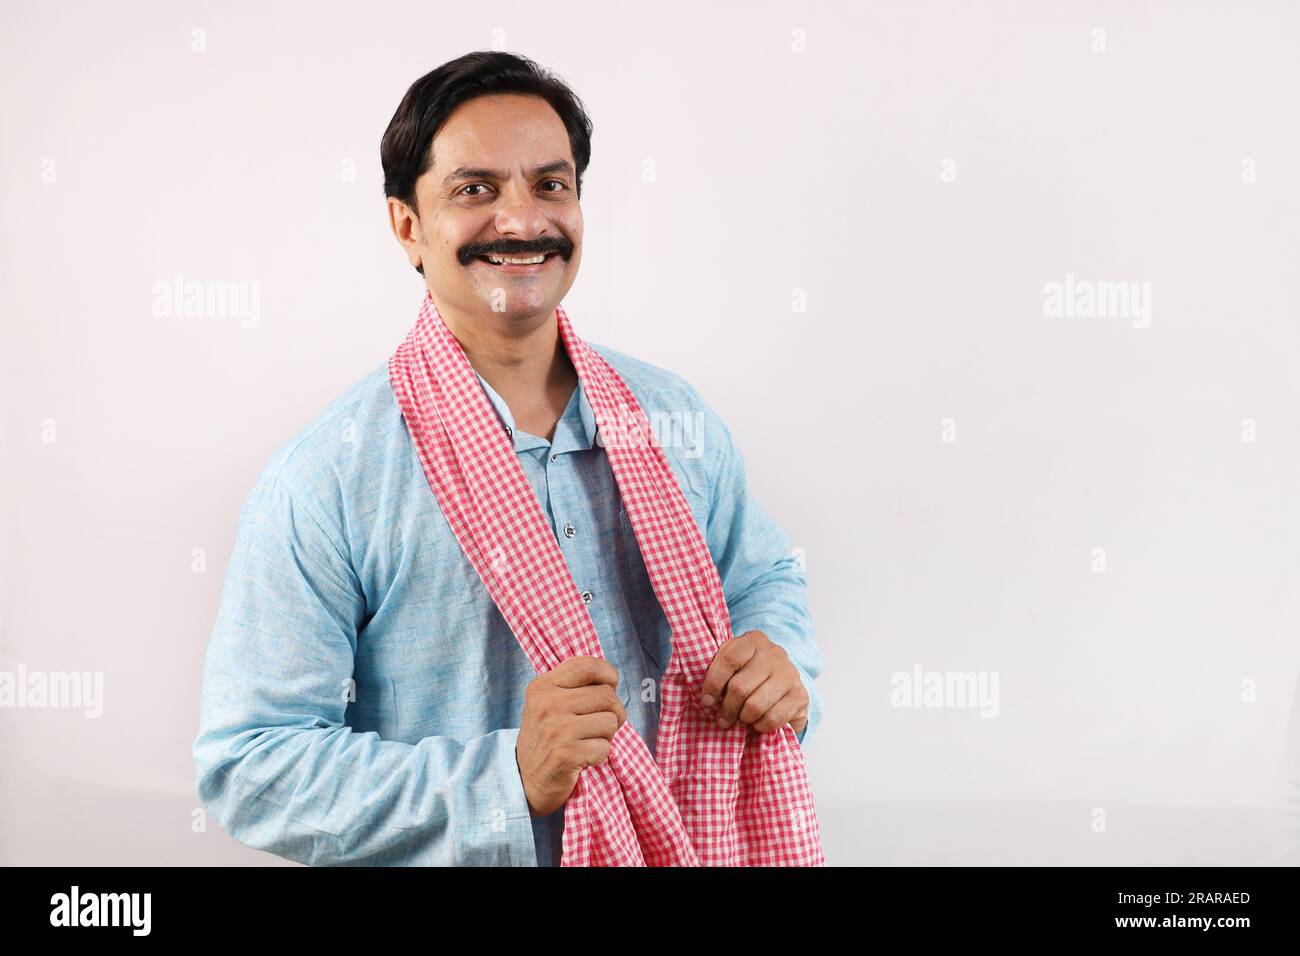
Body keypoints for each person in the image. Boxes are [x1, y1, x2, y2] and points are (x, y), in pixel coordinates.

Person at [193, 50, 824, 866]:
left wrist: (781, 658)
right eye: (475, 190)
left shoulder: (673, 419)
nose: (523, 220)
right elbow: (251, 765)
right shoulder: (330, 478)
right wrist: (506, 776)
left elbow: (763, 578)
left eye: (551, 185)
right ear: (408, 226)